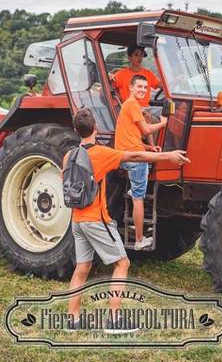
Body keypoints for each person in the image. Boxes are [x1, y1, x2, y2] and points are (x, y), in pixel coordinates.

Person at [63, 108, 189, 333]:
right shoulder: (101, 153)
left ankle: (72, 319)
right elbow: (135, 156)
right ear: (96, 129)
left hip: (77, 220)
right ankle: (114, 320)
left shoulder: (68, 155)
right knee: (122, 263)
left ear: (76, 130)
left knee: (82, 267)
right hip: (96, 220)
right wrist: (167, 156)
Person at [115, 74, 168, 250]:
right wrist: (162, 123)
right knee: (139, 200)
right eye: (139, 87)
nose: (143, 90)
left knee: (137, 192)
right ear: (130, 87)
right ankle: (139, 240)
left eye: (145, 88)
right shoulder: (132, 105)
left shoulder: (130, 106)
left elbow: (132, 136)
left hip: (128, 153)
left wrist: (149, 148)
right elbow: (146, 130)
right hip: (135, 159)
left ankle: (133, 190)